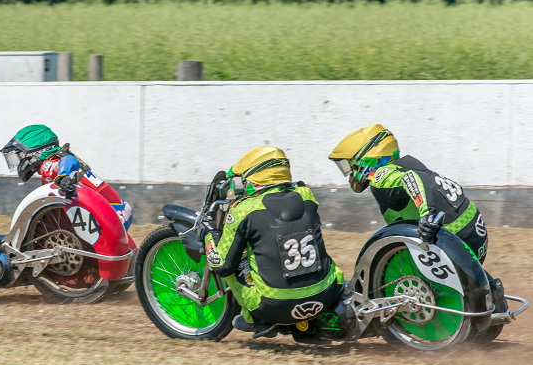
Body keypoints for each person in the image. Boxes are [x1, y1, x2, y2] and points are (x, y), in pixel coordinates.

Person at [199, 147, 345, 340]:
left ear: (256, 179)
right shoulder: (306, 195)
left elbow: (223, 266)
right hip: (326, 295)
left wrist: (209, 233)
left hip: (274, 307)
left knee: (233, 266)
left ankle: (256, 320)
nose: (244, 185)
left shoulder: (244, 210)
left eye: (245, 180)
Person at [327, 124, 488, 262]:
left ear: (366, 159)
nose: (349, 175)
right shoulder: (402, 165)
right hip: (474, 230)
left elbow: (414, 178)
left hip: (456, 235)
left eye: (349, 166)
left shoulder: (381, 175)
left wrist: (428, 216)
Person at [0, 124, 134, 233]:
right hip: (120, 210)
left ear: (34, 152)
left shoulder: (48, 165)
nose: (18, 162)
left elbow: (69, 160)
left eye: (19, 156)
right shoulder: (55, 159)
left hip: (112, 216)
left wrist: (63, 176)